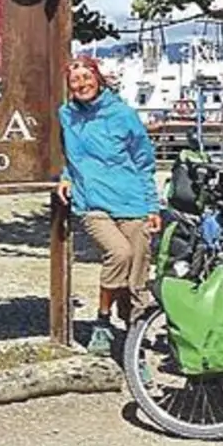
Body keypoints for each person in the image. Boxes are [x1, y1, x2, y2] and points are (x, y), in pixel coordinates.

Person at [56, 55, 162, 357]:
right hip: (93, 202)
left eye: (86, 78)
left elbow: (144, 162)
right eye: (75, 80)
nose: (81, 84)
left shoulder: (123, 114)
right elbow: (67, 154)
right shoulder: (66, 115)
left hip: (133, 202)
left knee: (138, 272)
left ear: (98, 79)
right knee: (120, 253)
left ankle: (134, 341)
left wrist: (152, 207)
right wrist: (65, 176)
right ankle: (102, 320)